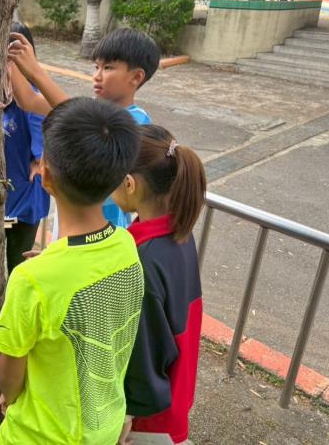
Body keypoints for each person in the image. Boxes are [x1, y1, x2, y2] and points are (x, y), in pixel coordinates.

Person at [0, 97, 144, 444]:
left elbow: (11, 367)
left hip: (40, 435)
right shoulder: (126, 245)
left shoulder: (32, 279)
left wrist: (8, 397)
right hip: (103, 424)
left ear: (44, 176)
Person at [8, 28, 158, 235]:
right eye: (96, 67)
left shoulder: (136, 121)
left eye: (108, 68)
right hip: (70, 235)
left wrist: (36, 71)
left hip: (104, 236)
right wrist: (10, 60)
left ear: (136, 77)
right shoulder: (88, 109)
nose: (97, 76)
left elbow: (78, 118)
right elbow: (28, 100)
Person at [113, 125, 206, 444]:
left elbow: (142, 361)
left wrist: (122, 425)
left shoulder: (141, 261)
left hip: (146, 423)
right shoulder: (177, 233)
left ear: (129, 184)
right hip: (175, 400)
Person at [4, 22, 49, 272]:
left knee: (17, 268)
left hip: (22, 202)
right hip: (4, 199)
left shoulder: (33, 101)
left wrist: (40, 159)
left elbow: (45, 147)